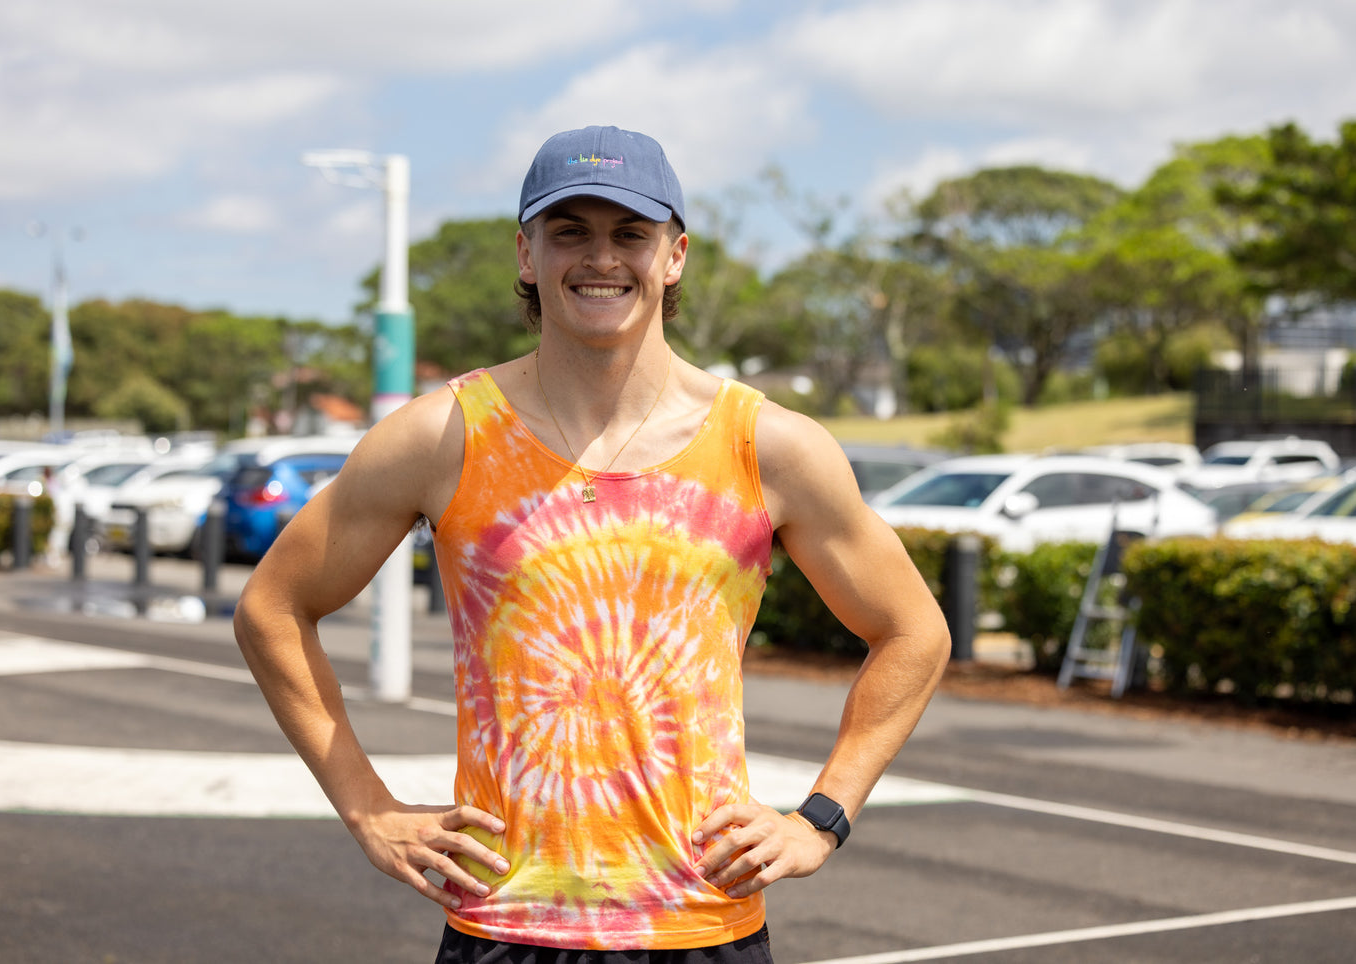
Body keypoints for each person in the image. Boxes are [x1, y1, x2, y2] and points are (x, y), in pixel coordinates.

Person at [234, 125, 950, 962]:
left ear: (674, 255)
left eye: (629, 234)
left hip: (703, 919)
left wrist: (821, 818)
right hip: (506, 926)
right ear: (527, 254)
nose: (600, 257)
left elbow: (913, 632)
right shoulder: (444, 435)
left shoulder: (770, 446)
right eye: (569, 230)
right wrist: (367, 807)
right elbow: (273, 608)